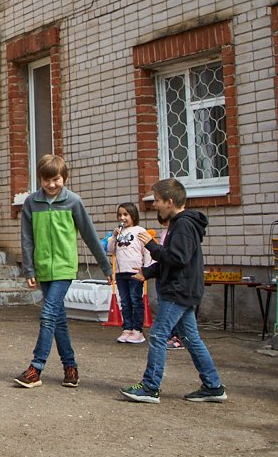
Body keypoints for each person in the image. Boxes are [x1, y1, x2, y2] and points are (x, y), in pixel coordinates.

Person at [120, 179, 228, 404]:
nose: (155, 205)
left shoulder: (183, 225)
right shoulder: (180, 224)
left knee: (159, 335)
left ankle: (150, 386)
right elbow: (174, 259)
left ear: (169, 202)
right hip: (182, 289)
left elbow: (178, 258)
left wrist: (151, 246)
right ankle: (213, 385)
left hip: (178, 290)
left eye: (157, 200)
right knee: (190, 338)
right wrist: (148, 272)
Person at [13, 154, 110, 389]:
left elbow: (89, 235)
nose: (52, 185)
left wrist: (106, 266)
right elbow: (26, 239)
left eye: (56, 179)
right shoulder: (31, 203)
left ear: (64, 178)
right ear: (40, 180)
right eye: (47, 180)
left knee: (47, 315)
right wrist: (29, 269)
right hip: (42, 268)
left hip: (65, 268)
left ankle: (36, 368)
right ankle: (70, 367)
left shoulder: (73, 201)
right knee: (58, 320)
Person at [109, 201, 152, 344]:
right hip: (121, 273)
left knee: (135, 300)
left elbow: (147, 251)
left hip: (135, 272)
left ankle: (137, 330)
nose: (122, 218)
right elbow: (110, 249)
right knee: (125, 302)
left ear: (133, 215)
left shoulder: (140, 231)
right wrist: (114, 236)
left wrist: (146, 270)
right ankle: (127, 328)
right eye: (120, 215)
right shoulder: (119, 233)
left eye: (126, 214)